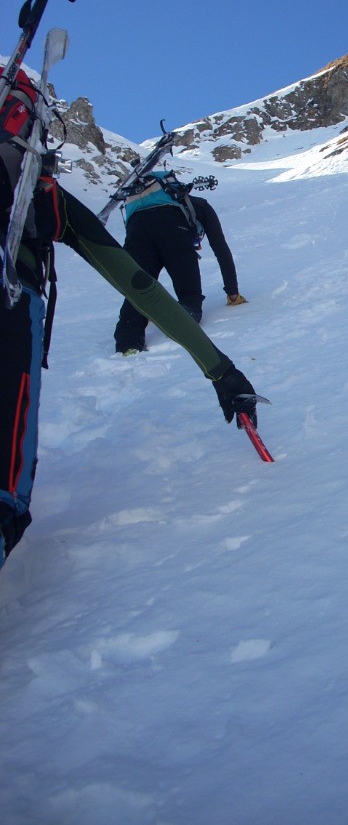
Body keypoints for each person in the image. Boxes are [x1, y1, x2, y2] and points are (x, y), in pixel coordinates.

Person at [0, 81, 260, 573]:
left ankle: (128, 343)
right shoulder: (190, 208)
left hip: (138, 232)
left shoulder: (137, 204)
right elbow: (148, 277)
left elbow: (136, 275)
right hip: (18, 293)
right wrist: (222, 357)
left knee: (135, 305)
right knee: (185, 292)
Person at [113, 170, 247, 355]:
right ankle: (182, 321)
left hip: (137, 230)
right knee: (189, 295)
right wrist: (233, 293)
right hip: (174, 231)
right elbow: (221, 250)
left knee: (138, 293)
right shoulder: (199, 205)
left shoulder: (145, 204)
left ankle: (128, 344)